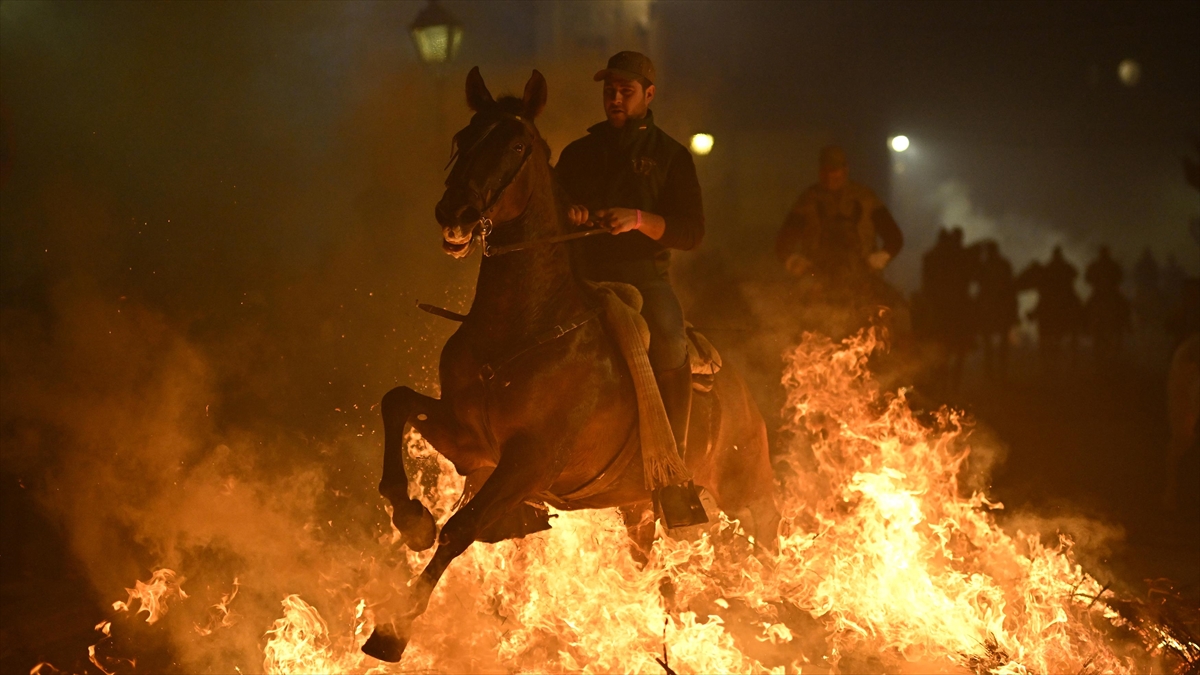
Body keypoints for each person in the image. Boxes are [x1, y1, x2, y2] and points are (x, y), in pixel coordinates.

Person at [555, 51, 706, 525]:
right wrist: (572, 211)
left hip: (643, 276)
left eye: (625, 91)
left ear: (649, 94)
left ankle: (672, 472)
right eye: (608, 91)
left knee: (669, 335)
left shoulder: (671, 156)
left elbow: (691, 231)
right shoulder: (579, 153)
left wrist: (638, 220)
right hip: (582, 275)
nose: (615, 99)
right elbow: (554, 205)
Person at [775, 145, 904, 340]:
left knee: (898, 315)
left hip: (862, 278)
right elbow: (783, 243)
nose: (829, 176)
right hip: (818, 280)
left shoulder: (866, 199)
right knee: (789, 323)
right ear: (820, 172)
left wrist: (877, 259)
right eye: (825, 171)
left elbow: (894, 237)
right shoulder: (808, 200)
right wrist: (796, 262)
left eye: (834, 171)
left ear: (845, 170)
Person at [974, 240, 1018, 380]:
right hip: (999, 306)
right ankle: (997, 373)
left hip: (991, 306)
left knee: (991, 343)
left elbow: (979, 281)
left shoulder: (986, 266)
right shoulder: (1000, 264)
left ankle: (993, 373)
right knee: (998, 343)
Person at [1083, 245, 1130, 362]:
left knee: (1086, 308)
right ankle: (1127, 324)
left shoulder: (1096, 265)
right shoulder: (1112, 265)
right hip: (1110, 292)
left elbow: (1087, 278)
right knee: (1124, 306)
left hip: (1100, 293)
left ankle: (1084, 326)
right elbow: (1120, 277)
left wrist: (1097, 283)